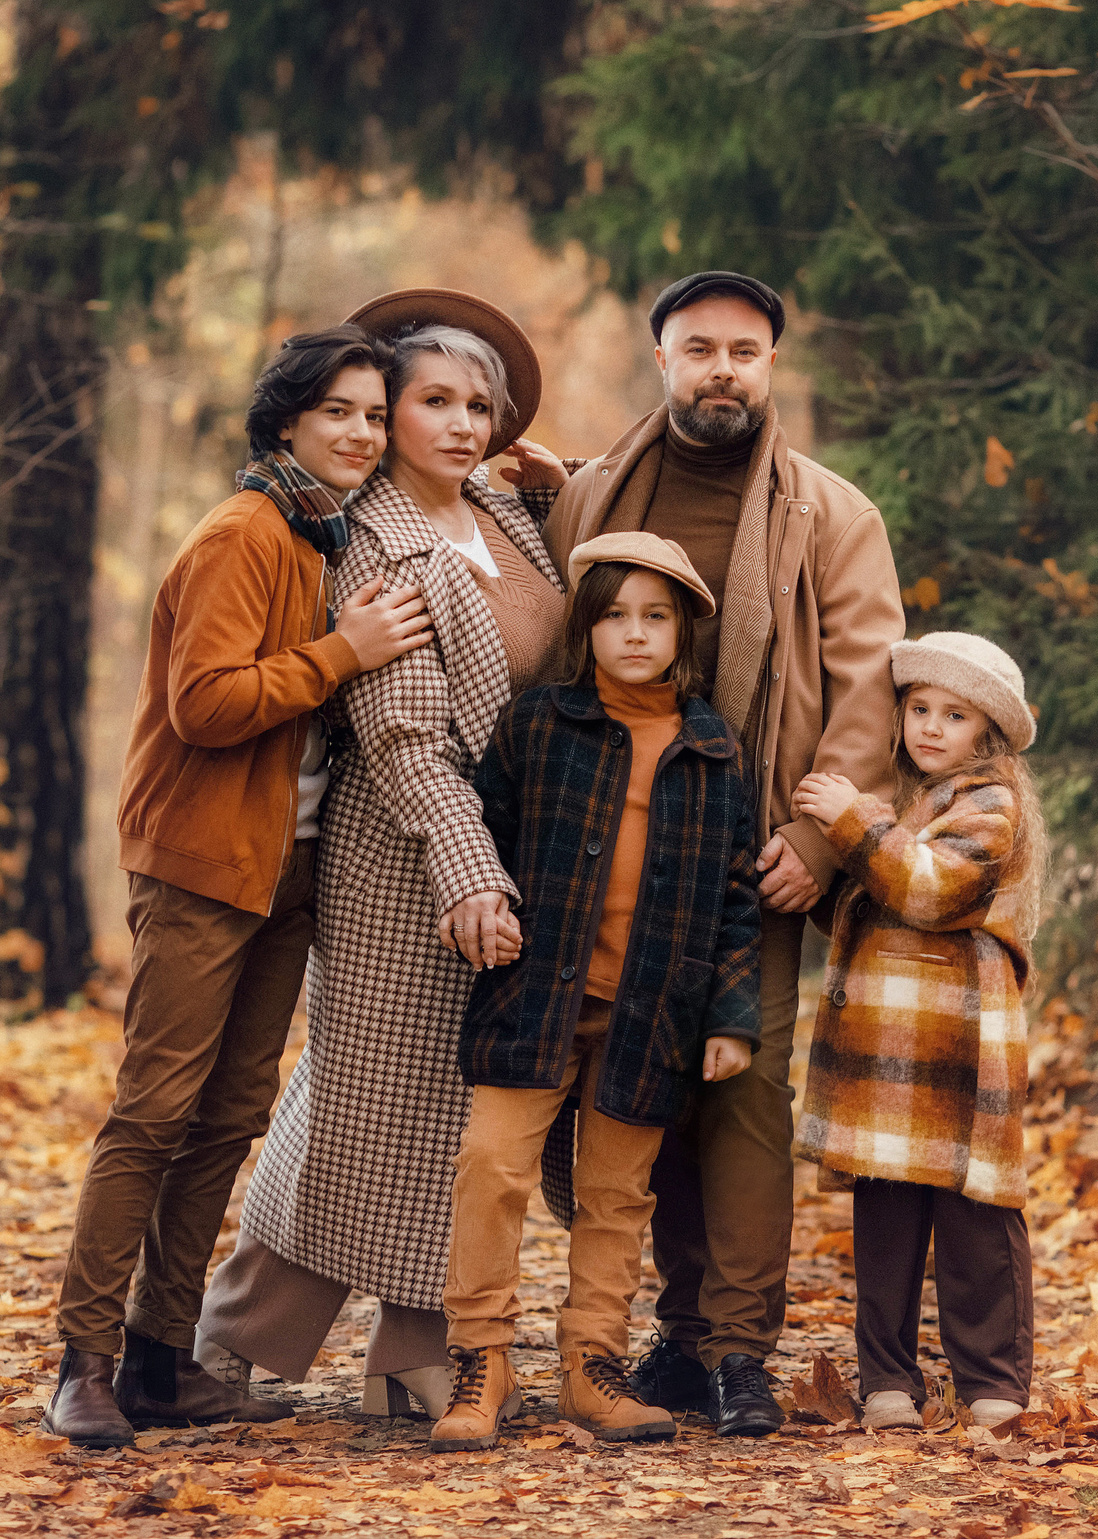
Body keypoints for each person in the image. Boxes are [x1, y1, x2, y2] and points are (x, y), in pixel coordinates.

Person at [47, 326, 439, 1446]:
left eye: (374, 414)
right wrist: (343, 653)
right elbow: (205, 705)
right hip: (201, 863)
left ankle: (162, 1360)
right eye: (339, 414)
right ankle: (82, 1360)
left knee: (228, 1117)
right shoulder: (246, 533)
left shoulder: (329, 534)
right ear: (284, 423)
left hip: (290, 865)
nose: (362, 434)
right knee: (154, 1112)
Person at [533, 270, 903, 1436]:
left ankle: (738, 1348)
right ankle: (680, 1340)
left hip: (755, 858)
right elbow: (549, 643)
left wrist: (813, 834)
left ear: (772, 366)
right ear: (662, 362)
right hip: (610, 845)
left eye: (745, 350)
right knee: (641, 1085)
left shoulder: (830, 515)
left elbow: (868, 688)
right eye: (700, 349)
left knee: (742, 1092)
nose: (723, 369)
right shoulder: (589, 497)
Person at [193, 289, 572, 1421]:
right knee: (365, 1103)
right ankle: (239, 1333)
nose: (461, 424)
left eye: (479, 406)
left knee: (451, 1111)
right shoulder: (373, 542)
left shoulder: (501, 518)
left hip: (504, 851)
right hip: (400, 856)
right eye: (434, 402)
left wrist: (547, 484)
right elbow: (403, 735)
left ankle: (412, 1356)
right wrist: (465, 869)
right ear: (387, 414)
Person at [431, 534, 764, 1452]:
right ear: (586, 626)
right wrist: (485, 903)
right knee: (492, 1167)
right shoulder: (540, 724)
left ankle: (592, 1365)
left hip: (651, 1010)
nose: (633, 632)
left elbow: (738, 893)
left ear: (683, 633)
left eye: (654, 617)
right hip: (532, 997)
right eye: (614, 614)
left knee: (618, 1195)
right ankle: (481, 1361)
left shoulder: (711, 747)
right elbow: (485, 830)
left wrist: (731, 1017)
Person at [789, 630, 1048, 1431]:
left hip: (959, 1042)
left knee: (975, 1211)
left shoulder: (991, 806)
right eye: (919, 708)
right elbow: (858, 904)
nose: (931, 727)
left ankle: (991, 1377)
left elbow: (931, 887)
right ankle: (888, 1377)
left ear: (989, 733)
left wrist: (851, 822)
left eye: (956, 715)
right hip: (883, 1042)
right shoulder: (901, 800)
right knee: (886, 1212)